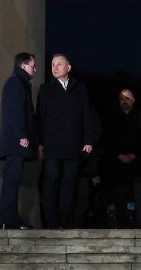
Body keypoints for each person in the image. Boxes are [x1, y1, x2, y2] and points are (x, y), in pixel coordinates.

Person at [37, 54, 96, 228]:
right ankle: (52, 222)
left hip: (73, 144)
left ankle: (65, 220)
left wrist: (88, 140)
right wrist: (40, 143)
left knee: (69, 183)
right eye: (53, 64)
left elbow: (86, 115)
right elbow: (40, 117)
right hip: (52, 145)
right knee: (52, 181)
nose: (55, 67)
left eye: (59, 64)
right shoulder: (45, 89)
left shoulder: (80, 88)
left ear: (68, 67)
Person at [0, 52, 38, 229]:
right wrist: (22, 135)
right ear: (24, 66)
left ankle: (11, 219)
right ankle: (9, 220)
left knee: (14, 179)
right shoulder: (15, 83)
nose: (35, 69)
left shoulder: (19, 83)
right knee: (12, 180)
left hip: (16, 141)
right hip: (15, 141)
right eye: (33, 66)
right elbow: (15, 112)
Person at [105, 89, 141, 228]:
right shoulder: (113, 118)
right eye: (121, 98)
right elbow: (108, 140)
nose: (124, 101)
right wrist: (118, 155)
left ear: (133, 100)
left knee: (140, 196)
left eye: (127, 98)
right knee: (119, 197)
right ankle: (122, 227)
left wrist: (134, 154)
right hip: (119, 165)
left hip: (137, 163)